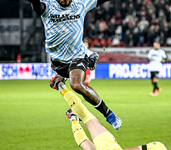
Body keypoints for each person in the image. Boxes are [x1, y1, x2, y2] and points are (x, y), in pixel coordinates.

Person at [27, 0, 122, 129]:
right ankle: (87, 62)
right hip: (58, 61)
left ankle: (109, 114)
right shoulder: (47, 6)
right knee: (66, 74)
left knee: (77, 85)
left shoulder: (81, 3)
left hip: (77, 57)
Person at [62, 84, 168, 149]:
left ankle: (59, 86)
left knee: (90, 120)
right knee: (87, 146)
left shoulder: (159, 147)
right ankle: (73, 119)